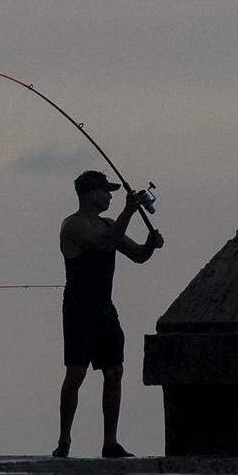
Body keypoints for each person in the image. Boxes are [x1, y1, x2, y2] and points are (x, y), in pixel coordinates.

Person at [52, 170, 164, 459]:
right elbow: (104, 243)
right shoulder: (73, 226)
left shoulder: (108, 224)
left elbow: (137, 255)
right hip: (79, 308)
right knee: (76, 372)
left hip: (104, 308)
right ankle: (64, 439)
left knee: (114, 371)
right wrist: (129, 211)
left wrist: (151, 245)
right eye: (106, 191)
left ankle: (110, 442)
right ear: (90, 194)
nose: (110, 196)